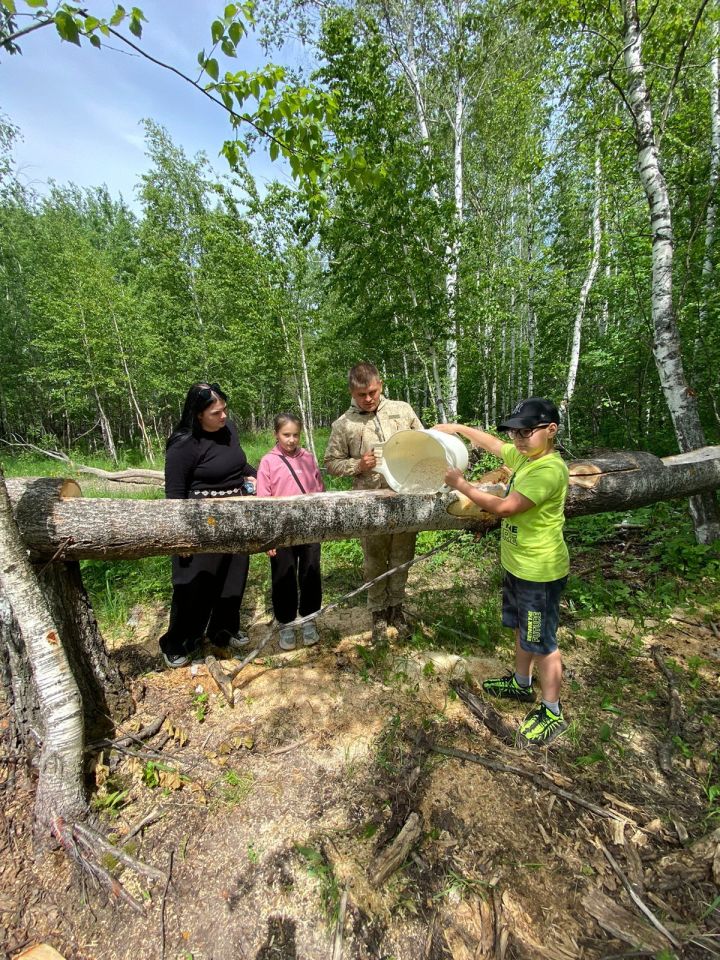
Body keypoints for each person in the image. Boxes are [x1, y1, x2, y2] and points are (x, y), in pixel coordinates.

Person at [434, 397, 570, 747]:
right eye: (515, 432)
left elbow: (507, 507)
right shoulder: (526, 457)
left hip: (539, 573)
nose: (519, 439)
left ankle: (552, 711)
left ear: (550, 430)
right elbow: (494, 445)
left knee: (543, 643)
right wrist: (457, 429)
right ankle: (521, 684)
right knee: (523, 630)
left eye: (527, 431)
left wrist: (463, 486)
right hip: (518, 567)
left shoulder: (548, 470)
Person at [158, 382, 257, 668]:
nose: (223, 416)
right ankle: (178, 642)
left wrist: (257, 475)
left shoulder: (229, 430)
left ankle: (222, 631)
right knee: (194, 588)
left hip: (237, 517)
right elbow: (174, 494)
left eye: (225, 409)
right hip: (200, 523)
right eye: (216, 412)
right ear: (198, 414)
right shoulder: (183, 444)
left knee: (233, 580)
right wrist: (180, 536)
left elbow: (239, 464)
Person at [324, 362, 423, 642]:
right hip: (369, 502)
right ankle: (378, 613)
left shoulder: (402, 411)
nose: (368, 399)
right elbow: (331, 463)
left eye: (372, 392)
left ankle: (397, 608)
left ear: (380, 385)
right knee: (374, 559)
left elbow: (425, 442)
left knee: (403, 556)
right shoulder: (344, 424)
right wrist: (358, 465)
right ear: (351, 392)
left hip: (405, 496)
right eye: (360, 395)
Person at [256, 412, 325, 651]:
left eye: (296, 434)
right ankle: (285, 622)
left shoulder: (308, 458)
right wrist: (269, 538)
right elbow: (263, 501)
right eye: (286, 435)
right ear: (276, 434)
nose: (292, 440)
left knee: (310, 573)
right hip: (281, 530)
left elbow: (318, 490)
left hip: (308, 527)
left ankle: (308, 619)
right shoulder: (268, 462)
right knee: (283, 575)